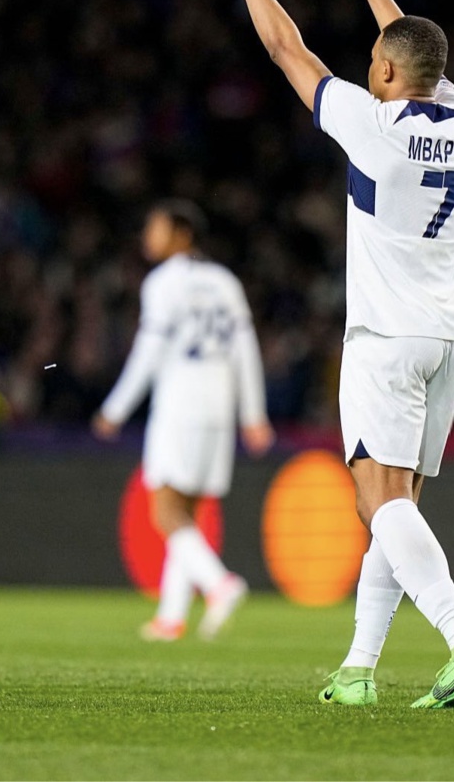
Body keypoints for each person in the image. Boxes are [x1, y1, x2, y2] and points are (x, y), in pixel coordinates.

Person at [213, 0, 454, 708]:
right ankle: (358, 669)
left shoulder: (373, 127)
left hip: (387, 334)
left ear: (381, 74)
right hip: (452, 330)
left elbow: (288, 51)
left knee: (380, 501)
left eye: (374, 63)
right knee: (395, 503)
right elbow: (418, 55)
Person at [92, 199, 274, 641]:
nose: (147, 237)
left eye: (156, 228)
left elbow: (149, 351)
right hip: (219, 406)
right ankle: (171, 617)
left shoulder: (162, 283)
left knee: (165, 510)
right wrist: (253, 413)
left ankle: (219, 584)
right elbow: (245, 348)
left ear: (182, 234)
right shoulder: (224, 281)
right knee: (188, 512)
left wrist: (115, 408)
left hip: (178, 403)